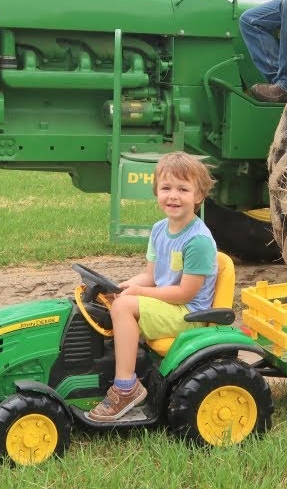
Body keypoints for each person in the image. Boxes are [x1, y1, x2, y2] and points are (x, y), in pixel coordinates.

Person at [86, 152, 219, 422]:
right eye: (166, 188)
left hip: (189, 313)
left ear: (199, 196)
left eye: (183, 189)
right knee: (111, 301)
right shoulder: (160, 230)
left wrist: (137, 294)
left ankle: (126, 388)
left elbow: (185, 293)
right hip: (168, 304)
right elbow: (151, 277)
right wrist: (125, 286)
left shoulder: (198, 241)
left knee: (124, 307)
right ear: (156, 192)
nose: (173, 195)